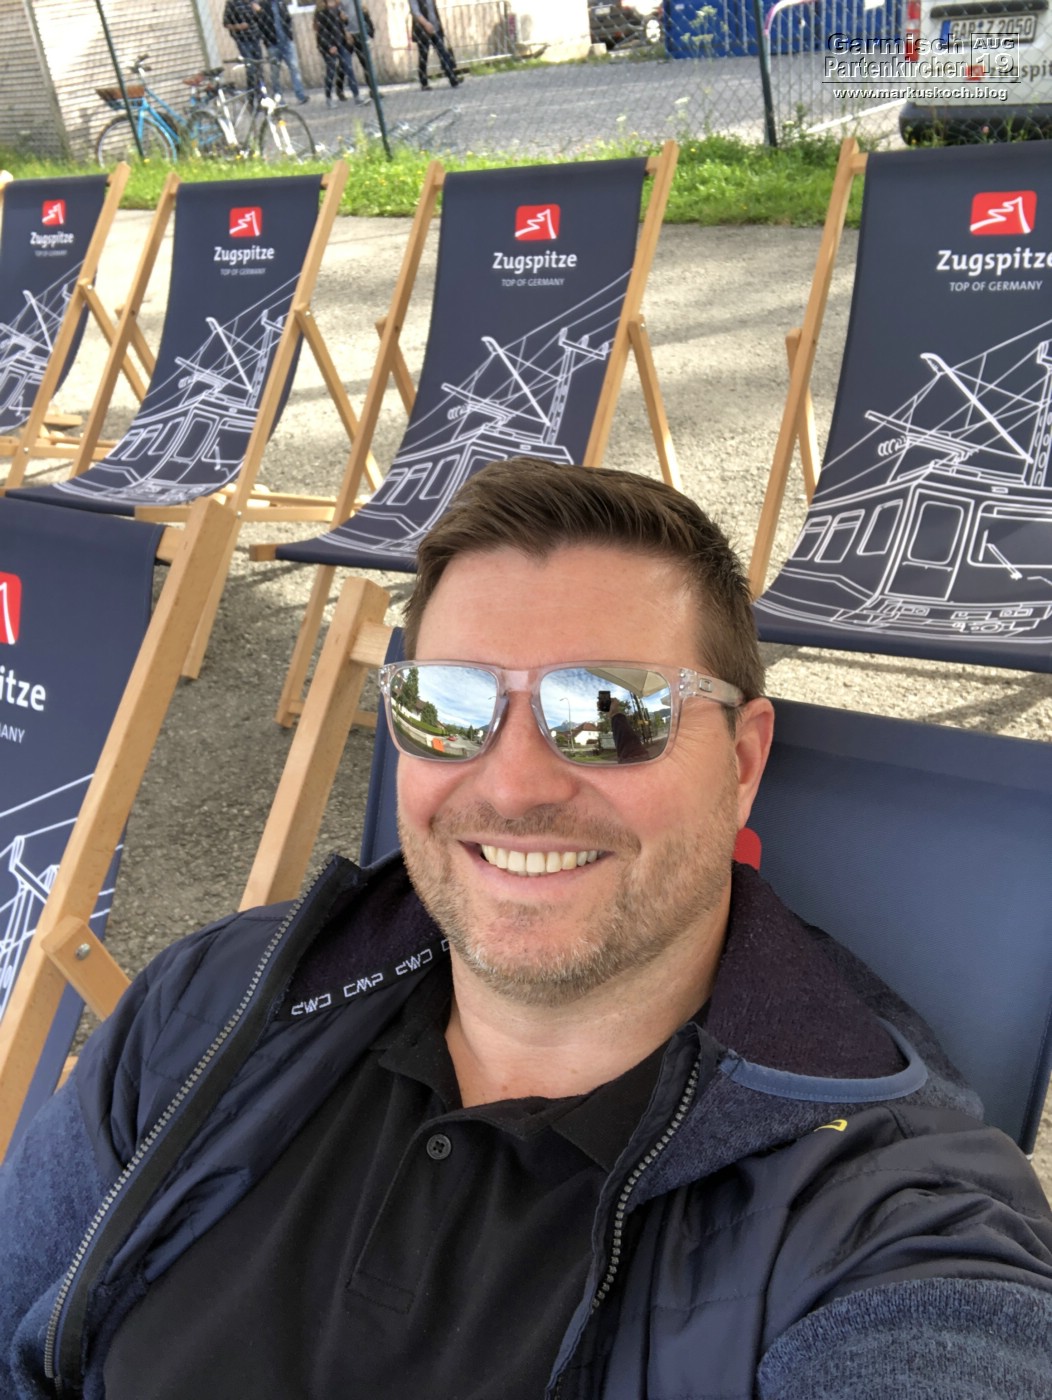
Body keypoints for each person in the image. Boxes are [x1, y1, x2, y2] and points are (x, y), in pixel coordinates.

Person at [2, 457, 1051, 1398]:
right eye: (447, 706)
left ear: (740, 761)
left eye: (610, 711)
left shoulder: (880, 1212)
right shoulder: (216, 1000)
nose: (511, 788)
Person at [313, 0, 369, 105]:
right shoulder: (322, 11)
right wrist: (329, 46)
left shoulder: (337, 7)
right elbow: (322, 32)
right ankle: (328, 98)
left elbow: (342, 25)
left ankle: (357, 96)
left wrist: (345, 19)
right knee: (331, 71)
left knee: (348, 67)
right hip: (329, 45)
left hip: (341, 42)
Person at [255, 0, 309, 104]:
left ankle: (300, 95)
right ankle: (278, 97)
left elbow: (287, 18)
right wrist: (267, 40)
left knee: (294, 68)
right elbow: (260, 23)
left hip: (286, 41)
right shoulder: (263, 5)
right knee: (275, 72)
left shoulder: (281, 3)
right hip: (273, 43)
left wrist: (289, 34)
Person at [408, 0, 460, 89]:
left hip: (435, 27)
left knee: (442, 52)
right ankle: (424, 83)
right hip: (422, 30)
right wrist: (426, 24)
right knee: (423, 56)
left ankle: (452, 78)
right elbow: (415, 12)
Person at [222, 0, 265, 102]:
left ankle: (260, 96)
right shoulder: (232, 3)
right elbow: (226, 24)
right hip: (242, 40)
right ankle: (251, 97)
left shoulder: (253, 2)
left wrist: (259, 11)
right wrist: (239, 27)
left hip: (255, 38)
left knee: (259, 67)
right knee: (251, 68)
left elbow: (262, 18)